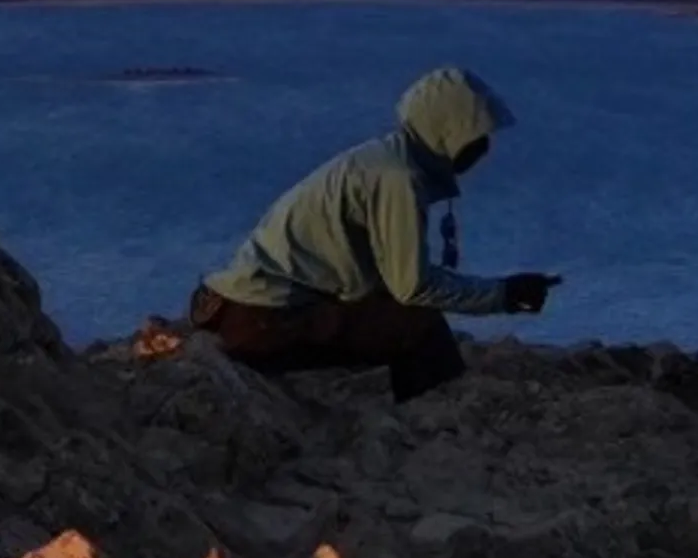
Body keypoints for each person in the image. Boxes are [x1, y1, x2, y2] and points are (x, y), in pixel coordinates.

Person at [187, 66, 559, 400]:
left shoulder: (385, 160)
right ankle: (429, 417)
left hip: (242, 309)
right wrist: (504, 294)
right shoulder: (399, 180)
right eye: (476, 138)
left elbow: (378, 278)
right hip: (263, 320)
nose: (484, 150)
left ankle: (426, 404)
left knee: (399, 315)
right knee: (416, 322)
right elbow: (413, 286)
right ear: (448, 134)